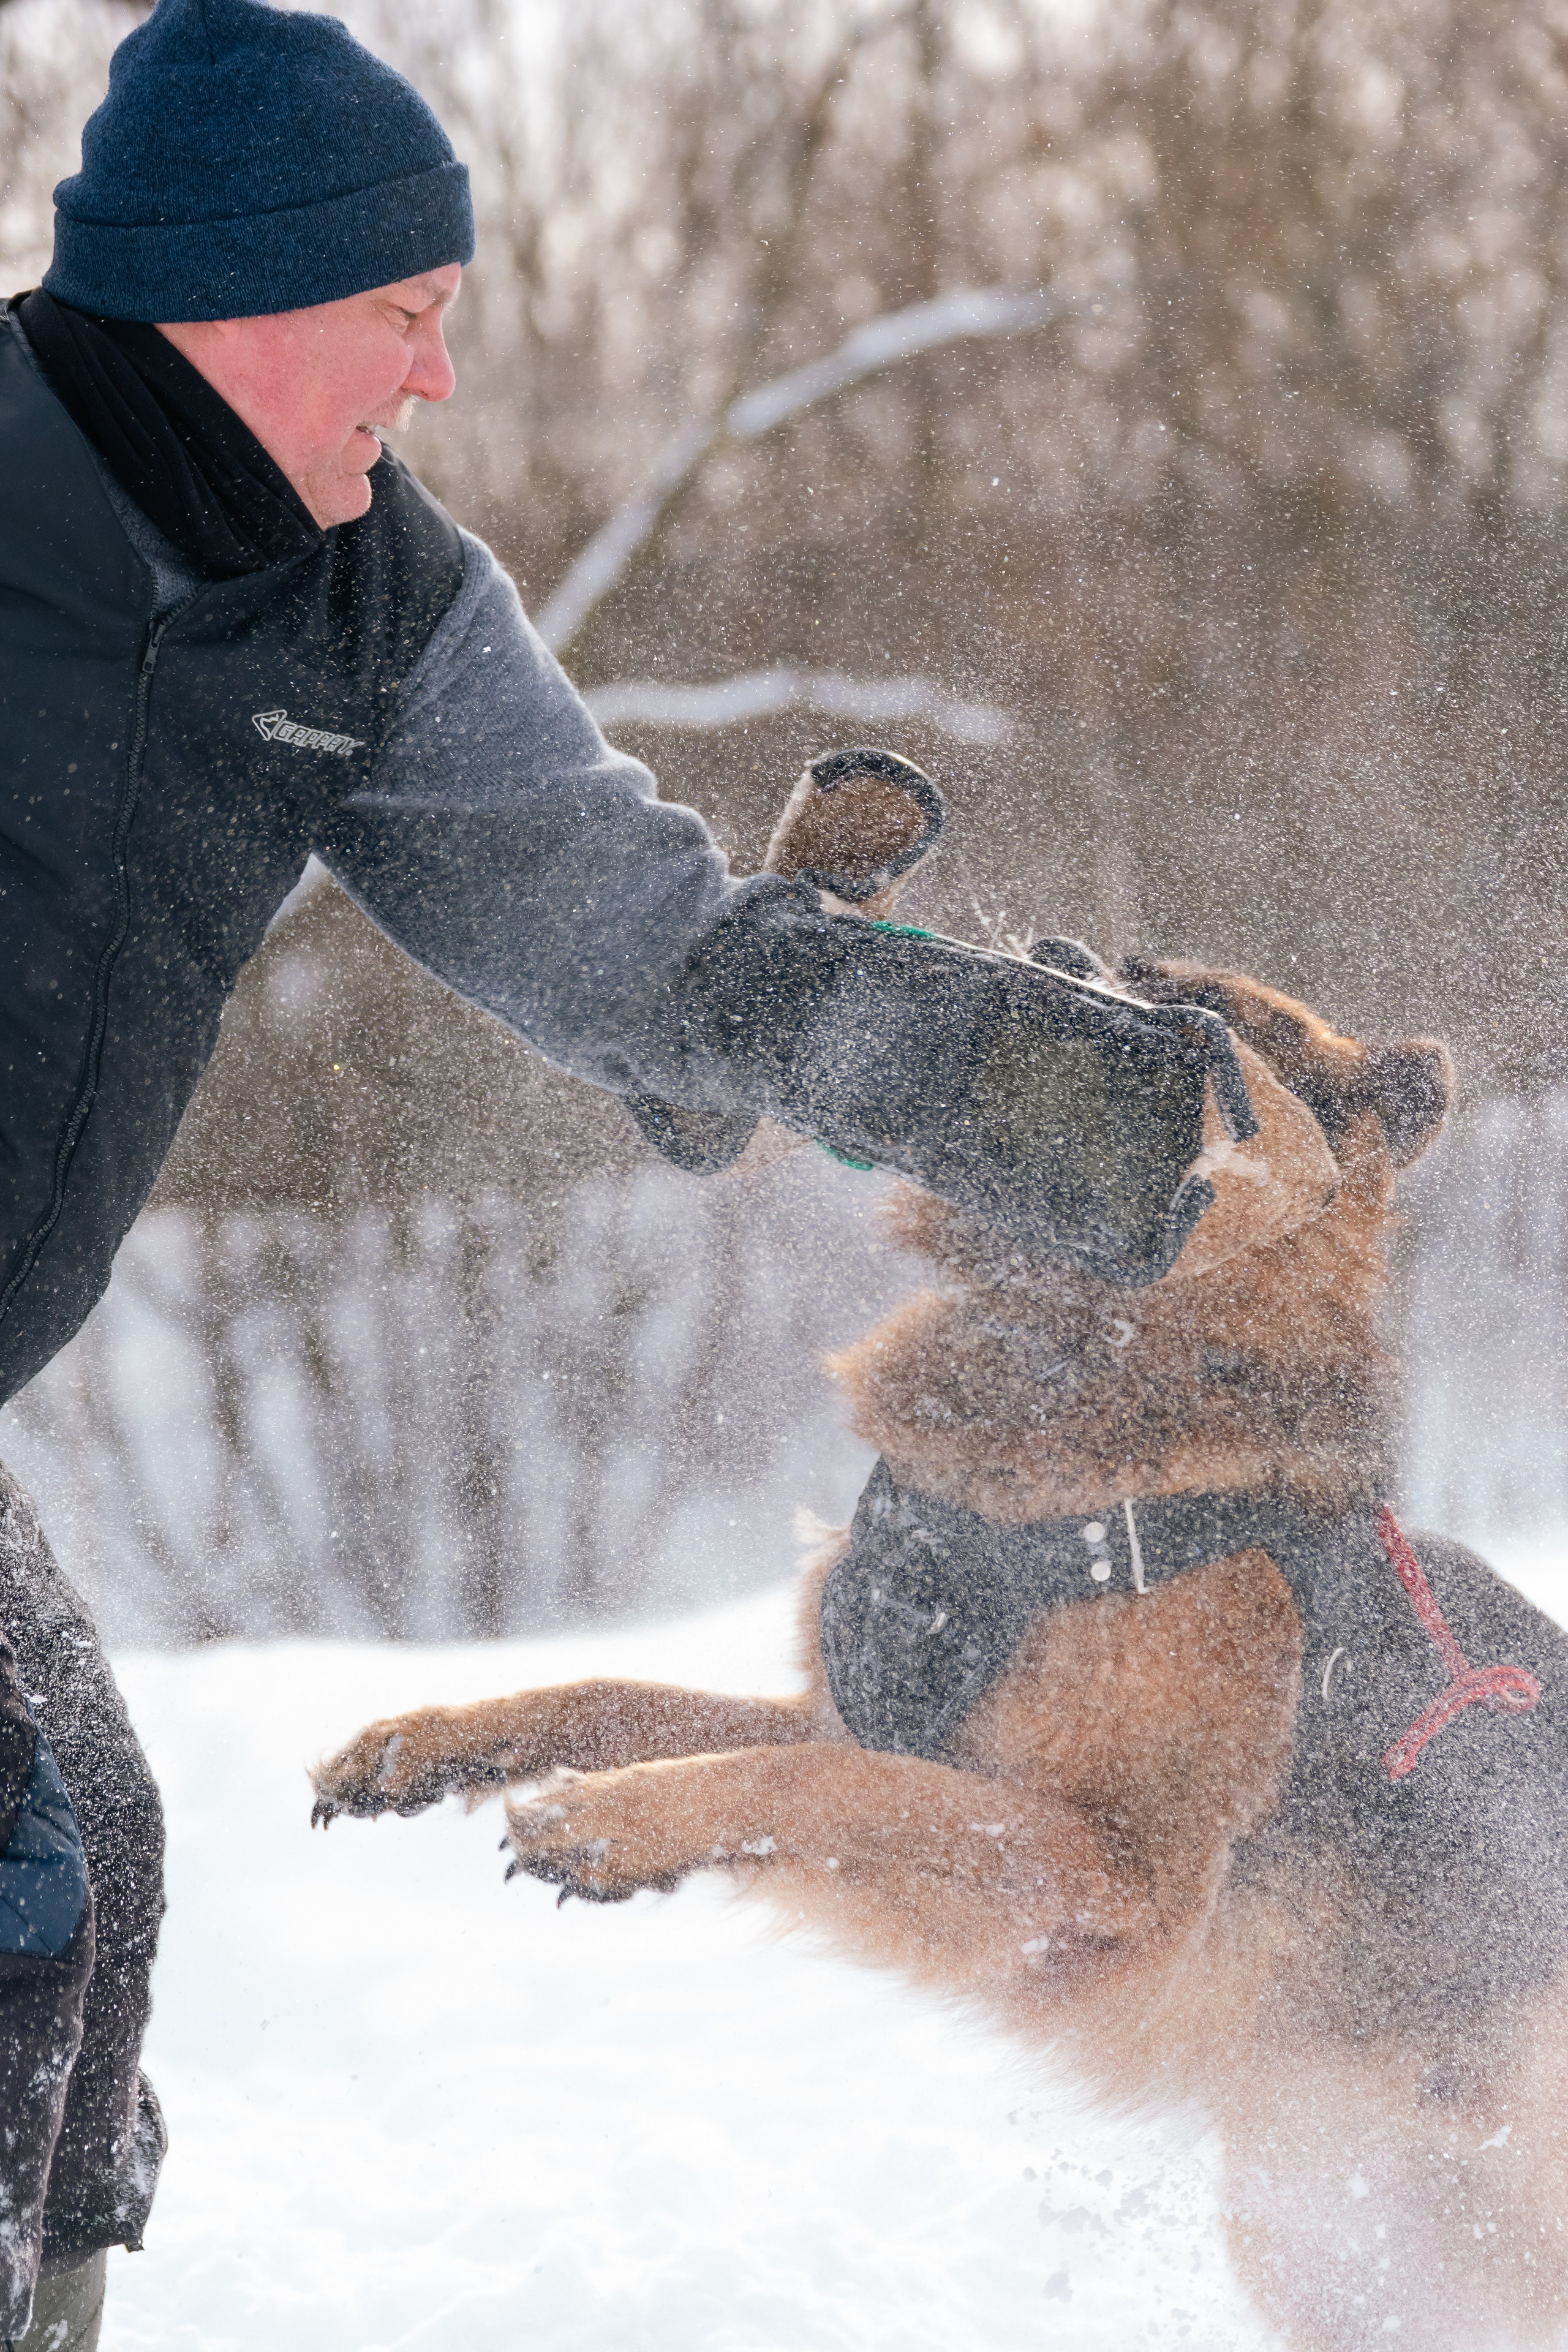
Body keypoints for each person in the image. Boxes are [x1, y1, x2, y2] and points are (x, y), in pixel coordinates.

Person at [0, 0, 1270, 2340]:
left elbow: (648, 955)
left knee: (95, 1866)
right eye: (410, 318)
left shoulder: (368, 604)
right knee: (27, 1880)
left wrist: (1003, 1079)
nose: (438, 383)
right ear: (243, 295)